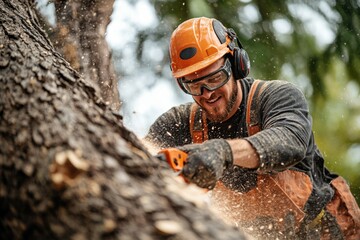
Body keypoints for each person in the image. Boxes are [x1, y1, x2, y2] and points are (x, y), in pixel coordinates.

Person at [144, 17, 360, 239]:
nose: (208, 93)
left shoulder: (277, 97)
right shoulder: (179, 124)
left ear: (236, 64)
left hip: (326, 230)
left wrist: (223, 152)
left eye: (216, 78)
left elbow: (289, 141)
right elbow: (142, 159)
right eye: (195, 86)